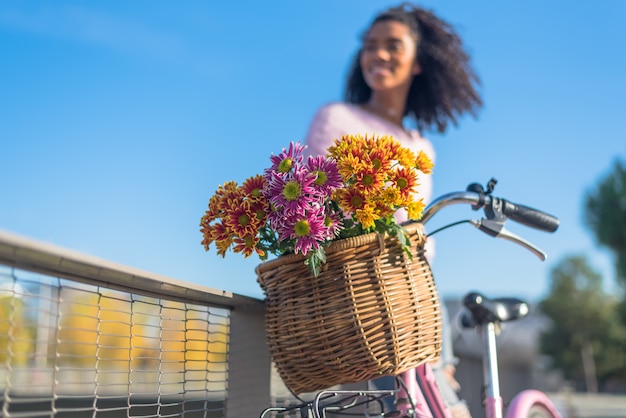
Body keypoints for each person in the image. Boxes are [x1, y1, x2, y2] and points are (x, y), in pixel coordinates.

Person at [303, 3, 482, 417]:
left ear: (417, 62)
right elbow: (316, 209)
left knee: (447, 408)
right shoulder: (336, 118)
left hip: (419, 295)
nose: (378, 54)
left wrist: (443, 346)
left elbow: (421, 242)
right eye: (370, 46)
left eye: (392, 45)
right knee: (399, 408)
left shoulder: (422, 147)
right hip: (364, 293)